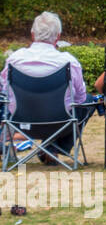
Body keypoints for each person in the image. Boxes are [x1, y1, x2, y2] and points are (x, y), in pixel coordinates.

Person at [0, 12, 89, 160]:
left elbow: (4, 91)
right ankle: (53, 149)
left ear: (32, 34)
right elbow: (80, 98)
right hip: (61, 124)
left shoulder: (14, 60)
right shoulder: (68, 62)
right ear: (58, 37)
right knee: (88, 102)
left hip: (20, 122)